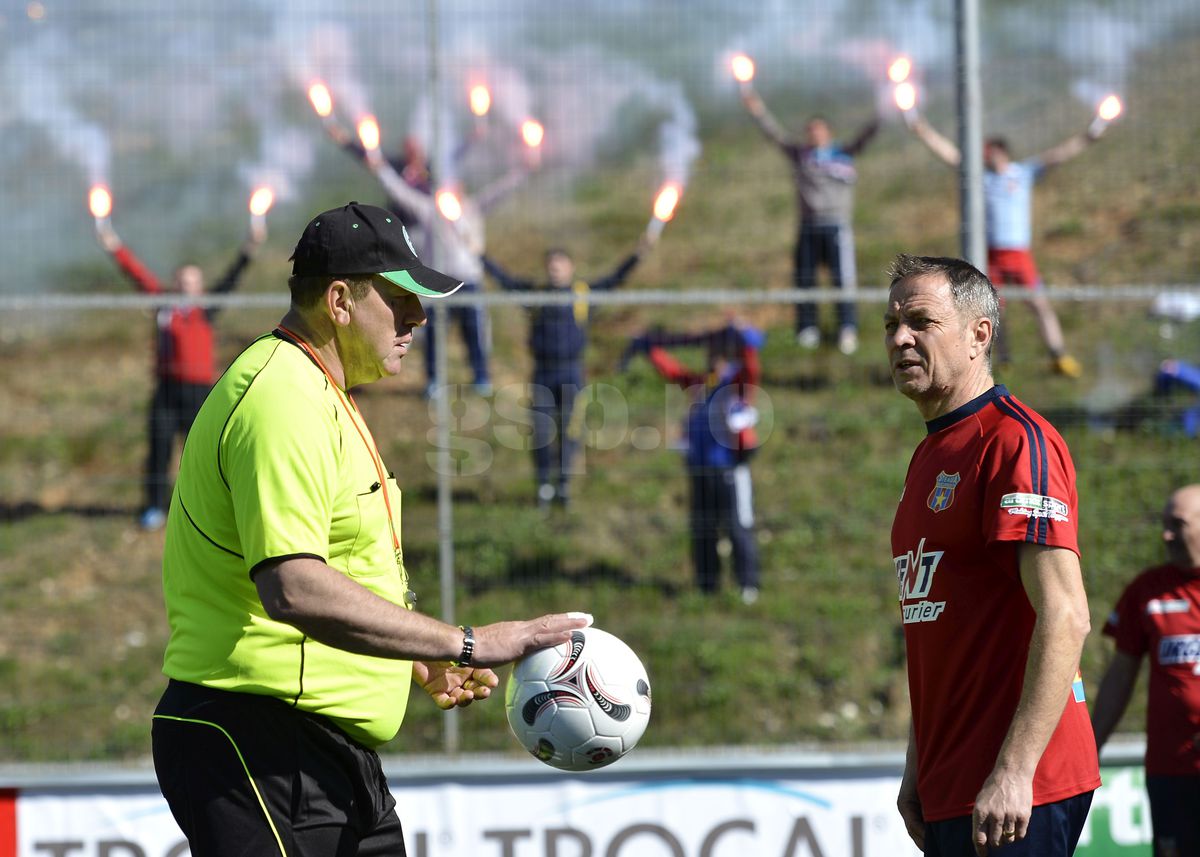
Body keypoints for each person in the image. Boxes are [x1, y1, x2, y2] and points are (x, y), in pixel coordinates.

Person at [150, 201, 592, 855]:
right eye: (400, 297)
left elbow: (345, 565)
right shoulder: (283, 400)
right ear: (339, 300)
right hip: (257, 739)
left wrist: (416, 652)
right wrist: (466, 641)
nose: (418, 316)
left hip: (321, 751)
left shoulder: (323, 393)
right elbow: (294, 588)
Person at [885, 254, 1099, 856]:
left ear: (979, 335)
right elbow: (940, 631)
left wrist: (1015, 770)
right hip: (951, 780)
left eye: (921, 322)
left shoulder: (1014, 442)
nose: (900, 338)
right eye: (890, 325)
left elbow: (1066, 615)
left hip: (1018, 784)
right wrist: (916, 764)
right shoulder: (927, 457)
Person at [905, 112, 1112, 377]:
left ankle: (1058, 355)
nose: (984, 156)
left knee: (1040, 305)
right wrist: (921, 128)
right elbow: (951, 155)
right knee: (993, 309)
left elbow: (1057, 155)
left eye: (989, 151)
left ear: (1001, 152)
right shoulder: (982, 177)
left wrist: (1089, 136)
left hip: (1019, 254)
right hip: (991, 254)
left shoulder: (1022, 173)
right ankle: (1002, 359)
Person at [95, 213, 265, 531]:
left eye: (193, 282)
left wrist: (250, 246)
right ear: (175, 284)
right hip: (167, 391)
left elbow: (232, 277)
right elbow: (136, 274)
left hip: (200, 394)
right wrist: (112, 244)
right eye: (182, 281)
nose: (187, 286)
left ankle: (208, 509)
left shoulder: (206, 310)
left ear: (200, 287)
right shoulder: (164, 307)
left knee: (202, 456)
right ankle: (154, 507)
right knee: (159, 450)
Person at [482, 235, 656, 509]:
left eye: (560, 264)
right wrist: (479, 255)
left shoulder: (582, 295)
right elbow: (505, 281)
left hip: (572, 373)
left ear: (570, 267)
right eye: (551, 264)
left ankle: (563, 485)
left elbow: (614, 280)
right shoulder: (536, 296)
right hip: (542, 373)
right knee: (541, 432)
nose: (555, 269)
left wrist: (638, 255)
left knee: (570, 432)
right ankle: (544, 486)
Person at [324, 120, 495, 396]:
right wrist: (344, 139)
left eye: (416, 146)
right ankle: (428, 373)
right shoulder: (397, 166)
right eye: (409, 146)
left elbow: (456, 157)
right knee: (428, 313)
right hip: (409, 235)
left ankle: (479, 375)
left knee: (468, 324)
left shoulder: (434, 172)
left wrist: (474, 137)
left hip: (434, 235)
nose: (412, 150)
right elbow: (374, 163)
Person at [1092, 484, 1200, 857]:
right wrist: (1091, 749)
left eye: (1178, 524)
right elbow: (1120, 676)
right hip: (1171, 772)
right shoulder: (1148, 590)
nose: (1165, 534)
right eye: (1164, 523)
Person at [625, 321, 764, 603]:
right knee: (703, 528)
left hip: (728, 468)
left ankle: (747, 585)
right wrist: (650, 348)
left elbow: (752, 366)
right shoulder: (701, 383)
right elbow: (673, 371)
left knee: (737, 526)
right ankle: (706, 585)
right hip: (699, 469)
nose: (713, 357)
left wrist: (744, 338)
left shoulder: (736, 382)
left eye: (719, 352)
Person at [738, 76, 879, 354]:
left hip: (837, 227)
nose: (813, 135)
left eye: (818, 130)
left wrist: (887, 104)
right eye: (809, 131)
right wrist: (756, 109)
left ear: (828, 132)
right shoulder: (800, 154)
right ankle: (807, 328)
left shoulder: (843, 154)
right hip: (808, 226)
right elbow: (774, 133)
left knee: (842, 280)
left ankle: (847, 328)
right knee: (805, 278)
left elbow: (868, 134)